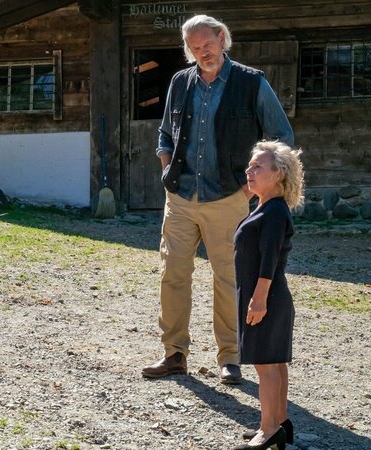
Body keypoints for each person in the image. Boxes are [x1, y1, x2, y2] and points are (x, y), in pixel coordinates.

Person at [142, 14, 294, 384]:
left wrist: (250, 189)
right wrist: (166, 172)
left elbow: (280, 137)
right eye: (194, 48)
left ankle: (230, 357)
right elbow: (165, 135)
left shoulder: (251, 82)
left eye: (207, 44)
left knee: (229, 279)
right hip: (180, 195)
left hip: (229, 197)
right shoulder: (180, 81)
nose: (202, 52)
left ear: (222, 38)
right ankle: (174, 353)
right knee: (172, 275)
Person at [232, 141, 303, 450]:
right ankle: (280, 421)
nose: (250, 170)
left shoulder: (273, 212)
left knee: (266, 365)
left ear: (278, 175)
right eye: (250, 165)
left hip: (267, 298)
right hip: (269, 297)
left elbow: (269, 258)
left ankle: (269, 428)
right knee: (275, 363)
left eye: (258, 166)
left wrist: (258, 299)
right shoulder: (266, 207)